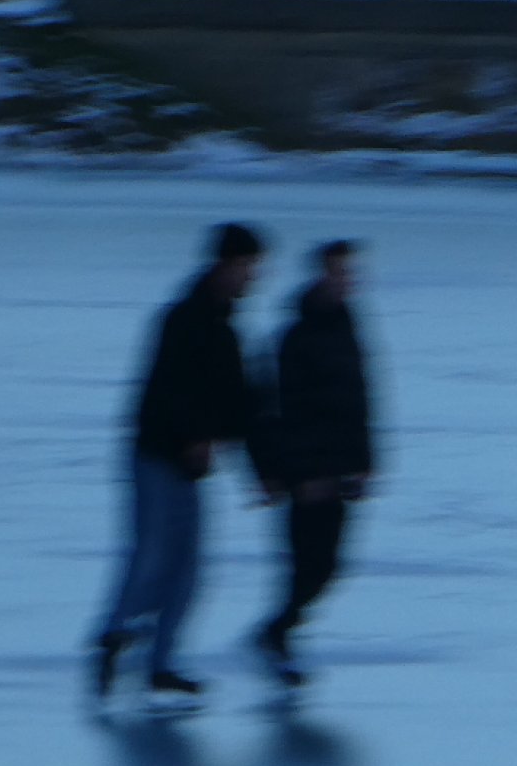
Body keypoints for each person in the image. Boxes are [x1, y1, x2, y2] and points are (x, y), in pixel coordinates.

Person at [90, 222, 268, 702]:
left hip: (187, 467)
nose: (252, 277)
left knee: (189, 568)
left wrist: (263, 473)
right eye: (248, 266)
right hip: (155, 456)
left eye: (255, 268)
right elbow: (168, 389)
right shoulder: (184, 318)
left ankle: (160, 663)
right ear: (225, 264)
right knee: (150, 554)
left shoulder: (227, 331)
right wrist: (193, 436)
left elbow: (240, 410)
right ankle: (114, 636)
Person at [249, 240, 378, 689]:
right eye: (338, 273)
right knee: (306, 563)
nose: (346, 281)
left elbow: (361, 398)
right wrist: (297, 473)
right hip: (307, 474)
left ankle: (277, 632)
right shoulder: (297, 336)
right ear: (320, 275)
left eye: (349, 273)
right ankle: (277, 639)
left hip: (340, 469)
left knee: (329, 567)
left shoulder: (349, 330)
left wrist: (365, 461)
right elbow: (279, 409)